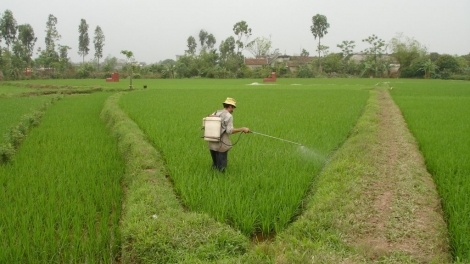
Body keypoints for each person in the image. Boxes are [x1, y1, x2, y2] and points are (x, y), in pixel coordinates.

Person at [208, 97, 250, 172]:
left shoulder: (216, 112)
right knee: (222, 166)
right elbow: (229, 131)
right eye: (233, 107)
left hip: (212, 141)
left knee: (215, 164)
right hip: (221, 143)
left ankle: (214, 177)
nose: (233, 110)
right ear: (230, 106)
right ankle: (220, 179)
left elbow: (209, 118)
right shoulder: (228, 116)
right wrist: (242, 129)